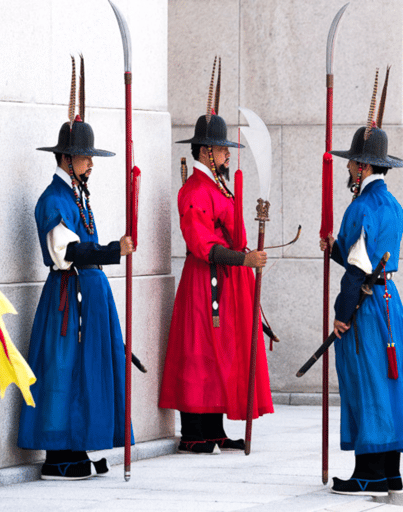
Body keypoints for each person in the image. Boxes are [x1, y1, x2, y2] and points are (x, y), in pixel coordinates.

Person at [321, 70, 403, 496]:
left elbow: (357, 269)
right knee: (389, 385)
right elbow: (367, 257)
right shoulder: (393, 206)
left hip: (366, 308)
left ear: (364, 166)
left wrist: (342, 313)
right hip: (389, 301)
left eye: (352, 162)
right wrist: (334, 248)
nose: (348, 167)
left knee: (367, 384)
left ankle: (367, 472)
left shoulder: (360, 207)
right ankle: (390, 472)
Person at [18, 59, 134, 480]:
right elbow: (67, 251)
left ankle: (78, 448)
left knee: (83, 372)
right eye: (85, 157)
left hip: (85, 298)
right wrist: (112, 250)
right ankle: (59, 457)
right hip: (67, 301)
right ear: (67, 159)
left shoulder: (76, 195)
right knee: (63, 370)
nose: (91, 164)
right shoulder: (54, 200)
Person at [158, 59, 274, 454]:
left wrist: (244, 256)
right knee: (200, 352)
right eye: (223, 149)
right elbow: (202, 244)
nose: (227, 155)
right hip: (204, 281)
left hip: (226, 279)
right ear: (207, 152)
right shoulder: (194, 190)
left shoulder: (218, 186)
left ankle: (215, 428)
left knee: (221, 351)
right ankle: (195, 432)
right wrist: (243, 261)